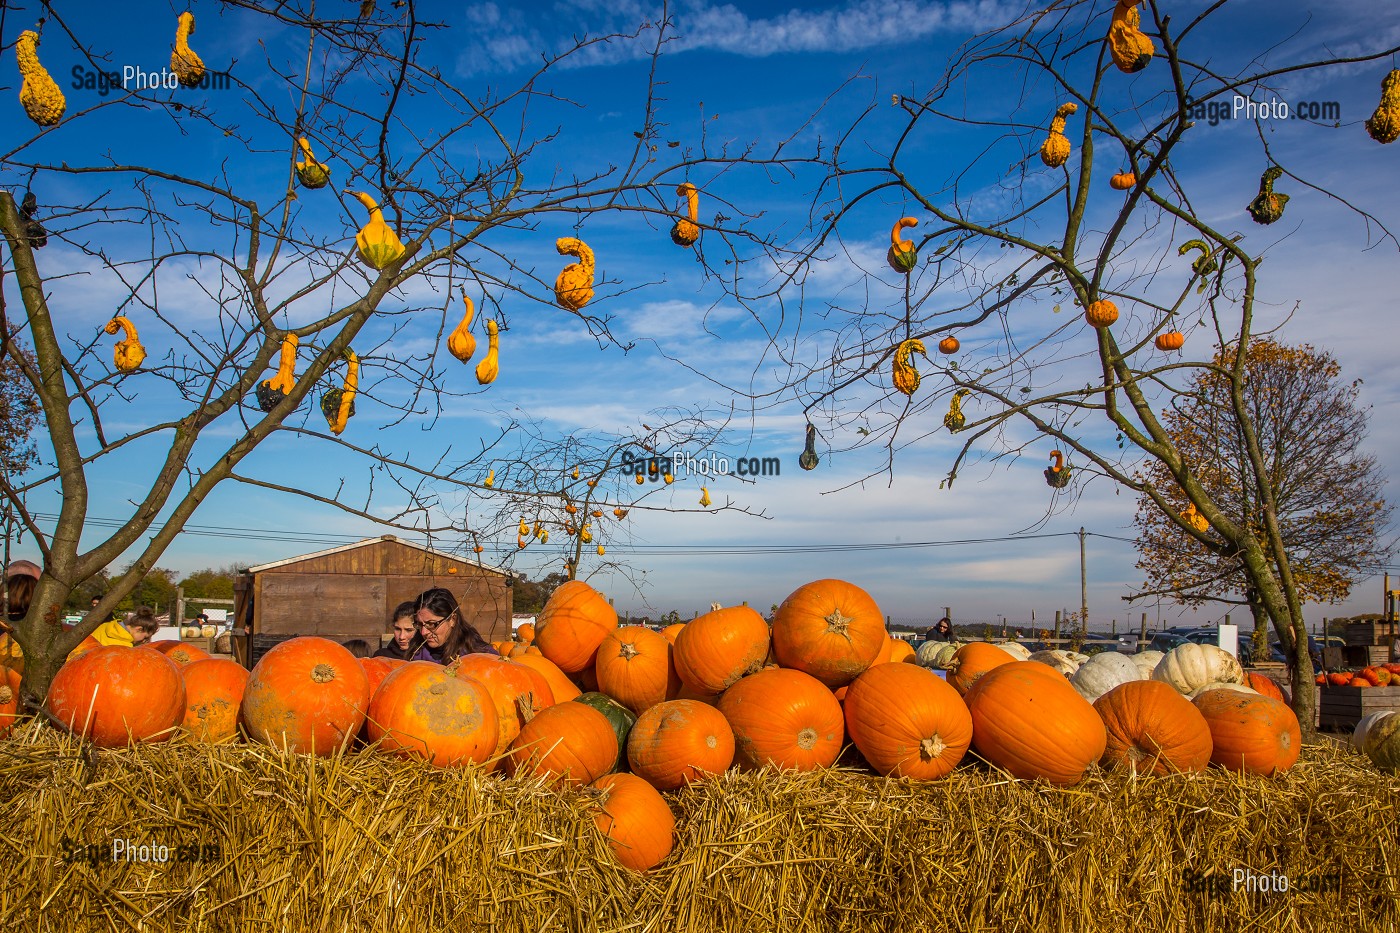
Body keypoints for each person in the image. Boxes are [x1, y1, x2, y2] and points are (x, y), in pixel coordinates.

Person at [409, 588, 497, 664]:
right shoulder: (415, 652)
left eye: (431, 624)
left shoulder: (479, 655)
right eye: (419, 624)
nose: (424, 632)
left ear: (452, 619)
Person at [92, 606, 160, 647]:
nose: (144, 641)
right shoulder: (125, 648)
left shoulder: (104, 626)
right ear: (139, 629)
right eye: (145, 637)